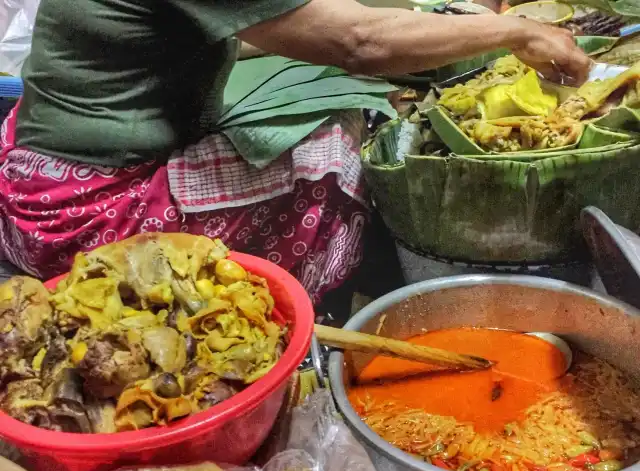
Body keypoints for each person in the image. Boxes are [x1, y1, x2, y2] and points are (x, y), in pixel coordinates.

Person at [0, 0, 592, 304]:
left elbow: (234, 30)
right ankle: (306, 302)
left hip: (32, 176)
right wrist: (518, 32)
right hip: (87, 215)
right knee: (332, 150)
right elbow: (359, 41)